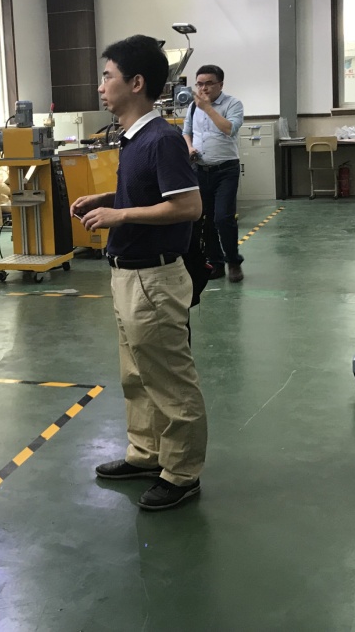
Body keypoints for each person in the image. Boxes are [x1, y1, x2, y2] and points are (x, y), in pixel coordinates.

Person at [71, 35, 208, 512]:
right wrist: (108, 199)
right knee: (136, 374)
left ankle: (182, 472)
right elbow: (149, 194)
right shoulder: (133, 138)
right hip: (127, 275)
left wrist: (120, 215)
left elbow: (188, 206)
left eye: (107, 76)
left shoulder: (162, 138)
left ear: (136, 83)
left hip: (154, 279)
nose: (100, 86)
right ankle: (147, 453)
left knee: (169, 379)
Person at [182, 64, 245, 283]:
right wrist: (189, 147)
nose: (204, 88)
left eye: (209, 83)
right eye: (200, 84)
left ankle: (233, 261)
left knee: (223, 218)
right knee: (205, 219)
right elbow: (186, 132)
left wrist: (208, 108)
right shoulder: (193, 106)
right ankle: (215, 262)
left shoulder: (233, 104)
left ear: (220, 84)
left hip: (226, 170)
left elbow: (229, 129)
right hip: (200, 169)